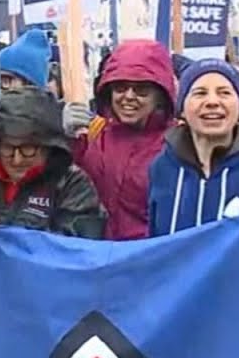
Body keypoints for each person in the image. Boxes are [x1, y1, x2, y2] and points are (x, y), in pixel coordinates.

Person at [0, 88, 106, 238]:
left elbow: (75, 248)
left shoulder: (72, 185)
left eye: (28, 149)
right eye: (8, 148)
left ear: (49, 146)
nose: (17, 159)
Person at [147, 60, 239, 236]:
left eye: (224, 93)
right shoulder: (162, 168)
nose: (212, 101)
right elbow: (156, 240)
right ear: (182, 109)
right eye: (200, 93)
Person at [72, 40, 177, 240]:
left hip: (150, 261)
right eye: (120, 87)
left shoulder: (179, 144)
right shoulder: (93, 134)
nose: (129, 96)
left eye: (142, 89)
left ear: (161, 95)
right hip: (95, 258)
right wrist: (64, 136)